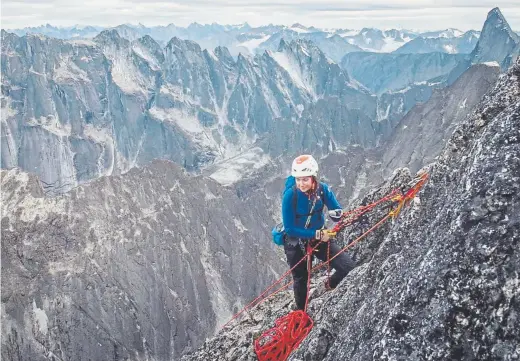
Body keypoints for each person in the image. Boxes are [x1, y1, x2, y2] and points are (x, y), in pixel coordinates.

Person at [282, 154, 355, 311]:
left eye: (305, 179)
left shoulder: (323, 190)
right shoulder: (290, 195)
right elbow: (289, 228)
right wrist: (317, 235)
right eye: (298, 179)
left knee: (347, 267)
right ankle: (301, 312)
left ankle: (329, 285)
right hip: (296, 241)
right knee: (301, 279)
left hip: (319, 238)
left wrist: (338, 215)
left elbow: (336, 209)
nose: (301, 183)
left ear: (313, 177)